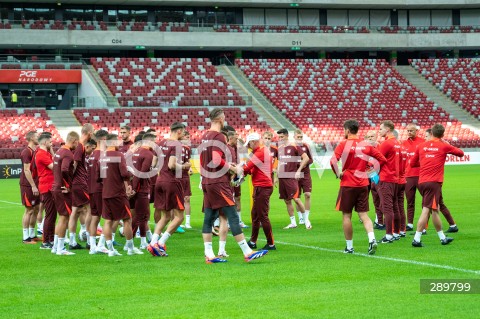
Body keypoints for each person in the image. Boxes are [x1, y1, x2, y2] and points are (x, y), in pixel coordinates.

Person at [199, 108, 268, 264]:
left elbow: (209, 160)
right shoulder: (218, 136)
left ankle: (209, 254)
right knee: (232, 215)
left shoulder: (204, 136)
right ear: (221, 119)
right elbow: (216, 160)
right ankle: (247, 251)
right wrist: (233, 168)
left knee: (209, 218)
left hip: (207, 181)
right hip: (218, 182)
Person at [330, 119, 386, 254]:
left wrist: (338, 174)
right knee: (364, 215)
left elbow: (333, 161)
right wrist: (369, 169)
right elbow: (382, 160)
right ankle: (372, 239)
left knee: (347, 216)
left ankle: (349, 247)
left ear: (348, 130)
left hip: (348, 183)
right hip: (363, 184)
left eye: (344, 130)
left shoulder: (343, 144)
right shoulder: (366, 145)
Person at [410, 124, 464, 247]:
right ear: (442, 135)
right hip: (434, 182)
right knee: (426, 210)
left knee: (435, 209)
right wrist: (446, 143)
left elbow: (412, 164)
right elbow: (460, 153)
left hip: (422, 181)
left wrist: (426, 161)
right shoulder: (443, 146)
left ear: (432, 133)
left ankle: (442, 238)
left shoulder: (421, 146)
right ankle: (416, 239)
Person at [147, 122, 189, 257]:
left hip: (159, 181)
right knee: (179, 216)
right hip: (171, 182)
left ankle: (152, 243)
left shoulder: (160, 143)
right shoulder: (176, 144)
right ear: (178, 131)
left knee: (165, 216)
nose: (183, 134)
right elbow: (171, 165)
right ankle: (160, 243)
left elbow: (153, 163)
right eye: (183, 132)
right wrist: (184, 166)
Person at [99, 134, 143, 257]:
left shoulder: (102, 157)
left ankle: (111, 250)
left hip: (106, 192)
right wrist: (131, 173)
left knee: (107, 221)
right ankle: (130, 248)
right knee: (127, 219)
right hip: (118, 193)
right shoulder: (119, 155)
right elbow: (124, 173)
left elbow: (98, 176)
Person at [241, 133, 276, 250]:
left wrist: (238, 170)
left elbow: (247, 168)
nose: (249, 146)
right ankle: (253, 241)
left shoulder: (260, 152)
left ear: (254, 141)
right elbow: (253, 169)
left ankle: (271, 243)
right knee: (255, 215)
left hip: (263, 187)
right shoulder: (262, 151)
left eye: (250, 143)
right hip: (261, 186)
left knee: (262, 216)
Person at [422, 128, 458, 233]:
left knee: (428, 204)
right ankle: (452, 224)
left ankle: (423, 229)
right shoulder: (427, 148)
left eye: (426, 136)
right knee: (438, 203)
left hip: (432, 180)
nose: (425, 138)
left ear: (432, 135)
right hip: (434, 181)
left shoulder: (436, 147)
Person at [275, 128, 310, 229]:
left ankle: (306, 221)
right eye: (279, 137)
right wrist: (276, 177)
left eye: (282, 137)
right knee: (287, 200)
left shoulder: (294, 146)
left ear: (286, 136)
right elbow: (279, 163)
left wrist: (298, 170)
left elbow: (306, 158)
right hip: (282, 177)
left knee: (296, 199)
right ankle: (293, 222)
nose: (280, 139)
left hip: (291, 177)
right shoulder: (280, 147)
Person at [51, 131, 79, 256]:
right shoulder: (68, 153)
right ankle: (60, 249)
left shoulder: (59, 151)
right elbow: (64, 169)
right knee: (64, 218)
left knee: (61, 218)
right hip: (62, 189)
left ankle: (56, 246)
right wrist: (67, 185)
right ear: (74, 141)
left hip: (56, 187)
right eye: (77, 143)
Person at [68, 123, 94, 250]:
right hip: (80, 183)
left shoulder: (79, 146)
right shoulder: (80, 147)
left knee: (75, 212)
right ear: (89, 133)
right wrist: (69, 180)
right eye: (93, 132)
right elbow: (74, 164)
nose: (93, 134)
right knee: (90, 209)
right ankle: (89, 239)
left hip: (76, 183)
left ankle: (72, 241)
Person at [130, 133, 156, 250]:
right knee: (143, 216)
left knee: (135, 215)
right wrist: (135, 188)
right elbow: (141, 173)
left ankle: (129, 240)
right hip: (141, 188)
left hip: (134, 186)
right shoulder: (148, 154)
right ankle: (142, 242)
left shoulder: (136, 151)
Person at [377, 120, 401, 243]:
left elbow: (378, 161)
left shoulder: (386, 143)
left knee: (387, 207)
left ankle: (388, 235)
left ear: (387, 130)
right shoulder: (397, 143)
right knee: (395, 206)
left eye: (381, 129)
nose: (379, 131)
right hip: (395, 178)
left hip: (386, 178)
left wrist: (371, 173)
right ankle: (396, 232)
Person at [87, 130, 109, 254]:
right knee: (107, 217)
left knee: (95, 217)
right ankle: (101, 244)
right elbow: (103, 176)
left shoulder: (91, 155)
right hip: (100, 190)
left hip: (91, 189)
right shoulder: (102, 155)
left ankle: (92, 246)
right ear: (104, 139)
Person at [35, 132, 57, 250]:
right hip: (47, 186)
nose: (51, 143)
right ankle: (46, 241)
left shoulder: (45, 153)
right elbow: (54, 167)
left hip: (49, 185)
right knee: (50, 214)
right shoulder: (41, 154)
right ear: (44, 142)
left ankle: (50, 239)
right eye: (50, 142)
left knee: (52, 214)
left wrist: (52, 151)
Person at [402, 123, 425, 231]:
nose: (409, 132)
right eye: (408, 130)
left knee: (425, 202)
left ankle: (424, 226)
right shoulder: (403, 144)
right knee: (410, 200)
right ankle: (410, 223)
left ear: (417, 131)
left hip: (421, 175)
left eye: (411, 130)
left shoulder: (423, 142)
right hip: (408, 176)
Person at [20, 131, 40, 244]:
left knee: (36, 209)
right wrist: (33, 186)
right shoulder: (26, 152)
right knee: (29, 210)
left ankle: (32, 235)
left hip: (35, 184)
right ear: (32, 138)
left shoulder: (35, 151)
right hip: (28, 185)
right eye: (37, 136)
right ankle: (25, 237)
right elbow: (26, 170)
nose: (38, 138)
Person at [293, 130, 313, 226]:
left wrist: (304, 163)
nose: (300, 139)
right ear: (294, 137)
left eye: (301, 137)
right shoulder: (291, 147)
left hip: (305, 174)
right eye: (298, 137)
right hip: (295, 174)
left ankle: (306, 217)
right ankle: (300, 217)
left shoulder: (305, 146)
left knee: (308, 194)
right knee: (297, 197)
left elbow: (310, 159)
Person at [364, 131, 383, 229]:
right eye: (368, 137)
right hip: (366, 174)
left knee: (378, 197)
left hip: (375, 174)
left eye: (372, 136)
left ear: (376, 137)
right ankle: (364, 215)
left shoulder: (379, 147)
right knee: (364, 196)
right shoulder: (364, 148)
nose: (370, 138)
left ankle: (378, 218)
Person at [393, 130, 408, 237]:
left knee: (393, 206)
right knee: (400, 206)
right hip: (403, 179)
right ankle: (402, 229)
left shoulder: (394, 148)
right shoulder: (403, 148)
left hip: (395, 180)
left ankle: (395, 231)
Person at [180, 130, 193, 229]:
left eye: (189, 137)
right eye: (186, 137)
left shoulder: (188, 149)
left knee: (187, 199)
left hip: (184, 176)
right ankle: (178, 222)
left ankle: (187, 222)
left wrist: (190, 168)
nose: (188, 139)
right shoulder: (175, 148)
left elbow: (187, 161)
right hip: (175, 177)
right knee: (176, 200)